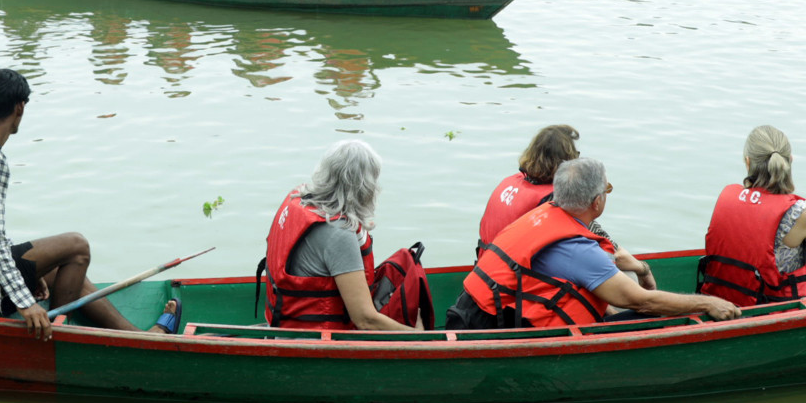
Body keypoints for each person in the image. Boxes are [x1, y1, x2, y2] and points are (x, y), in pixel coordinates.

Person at [0, 69, 181, 340]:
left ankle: (142, 337)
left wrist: (31, 271)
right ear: (20, 107)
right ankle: (60, 334)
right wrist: (24, 301)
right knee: (77, 246)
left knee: (60, 268)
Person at [447, 158, 741, 330]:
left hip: (470, 314)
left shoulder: (541, 216)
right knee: (657, 315)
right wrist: (707, 302)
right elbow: (641, 301)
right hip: (494, 329)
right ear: (597, 201)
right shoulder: (578, 249)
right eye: (607, 190)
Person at [262, 140, 428, 331]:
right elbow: (365, 320)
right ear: (365, 188)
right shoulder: (338, 233)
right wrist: (417, 336)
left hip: (279, 322)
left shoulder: (299, 199)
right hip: (312, 340)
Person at [698, 125, 806, 306]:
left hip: (723, 299)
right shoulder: (798, 213)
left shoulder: (728, 197)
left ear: (748, 162)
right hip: (764, 306)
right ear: (789, 161)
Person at [476, 124, 653, 286]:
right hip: (517, 282)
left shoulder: (509, 183)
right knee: (628, 274)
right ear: (567, 163)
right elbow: (609, 247)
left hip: (487, 270)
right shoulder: (554, 199)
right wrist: (642, 268)